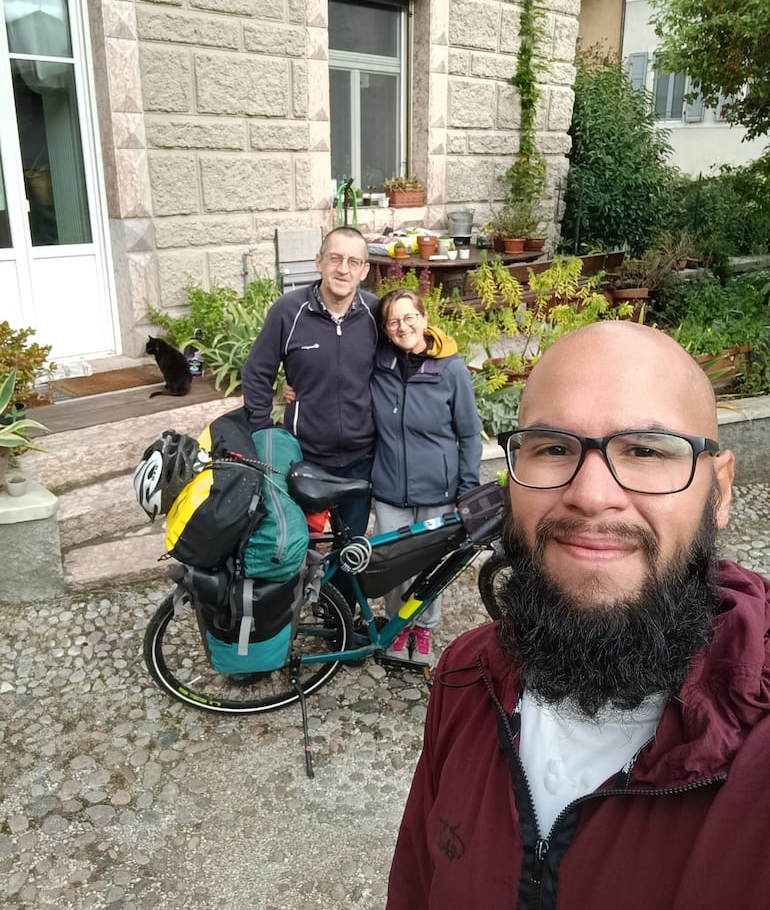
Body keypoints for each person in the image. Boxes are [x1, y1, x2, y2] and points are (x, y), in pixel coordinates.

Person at [387, 320, 770, 910]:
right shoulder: (466, 673)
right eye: (554, 448)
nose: (591, 495)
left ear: (718, 492)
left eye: (645, 450)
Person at [241, 226, 379, 609]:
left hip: (359, 459)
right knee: (292, 545)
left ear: (365, 270)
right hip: (305, 459)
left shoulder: (374, 314)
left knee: (351, 547)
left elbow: (401, 363)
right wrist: (262, 432)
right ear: (319, 262)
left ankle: (343, 621)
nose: (343, 268)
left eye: (353, 261)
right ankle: (284, 618)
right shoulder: (289, 311)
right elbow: (256, 373)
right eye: (335, 258)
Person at [371, 288, 481, 665]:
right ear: (385, 329)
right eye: (394, 321)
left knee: (429, 565)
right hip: (389, 488)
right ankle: (397, 625)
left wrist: (467, 489)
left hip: (438, 490)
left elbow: (468, 433)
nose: (403, 326)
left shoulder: (451, 369)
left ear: (423, 316)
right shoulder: (378, 366)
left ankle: (423, 627)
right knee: (393, 564)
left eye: (409, 317)